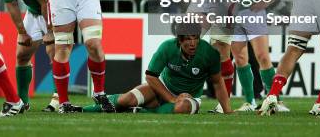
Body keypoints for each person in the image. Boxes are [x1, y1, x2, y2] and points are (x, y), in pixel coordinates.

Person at [83, 27, 232, 114]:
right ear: (179, 40)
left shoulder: (209, 53)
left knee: (182, 108)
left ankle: (139, 111)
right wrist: (171, 98)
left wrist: (227, 110)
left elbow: (218, 83)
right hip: (162, 89)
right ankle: (83, 109)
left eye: (195, 38)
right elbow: (151, 76)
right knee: (126, 99)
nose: (192, 44)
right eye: (187, 39)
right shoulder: (167, 47)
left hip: (190, 97)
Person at [0, 0, 59, 112]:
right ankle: (23, 100)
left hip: (55, 12)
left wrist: (50, 31)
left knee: (54, 54)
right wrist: (22, 32)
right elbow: (12, 6)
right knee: (22, 56)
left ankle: (59, 99)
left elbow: (45, 4)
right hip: (33, 12)